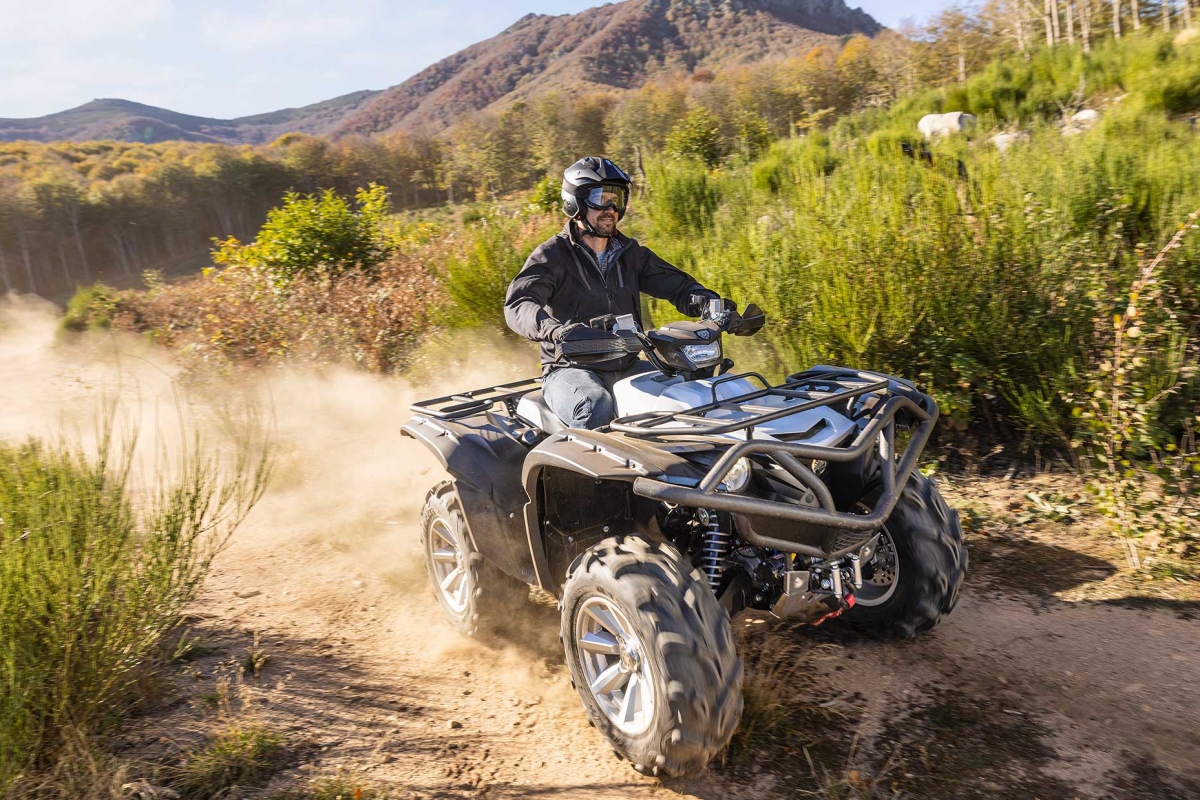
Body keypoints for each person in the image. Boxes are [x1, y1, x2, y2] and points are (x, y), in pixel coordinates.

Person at [504, 156, 727, 429]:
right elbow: (519, 303)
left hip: (627, 362)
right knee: (594, 404)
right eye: (601, 199)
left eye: (617, 199)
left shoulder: (630, 253)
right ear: (576, 202)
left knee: (689, 393)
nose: (610, 209)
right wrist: (555, 330)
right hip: (570, 369)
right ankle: (579, 457)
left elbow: (678, 286)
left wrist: (710, 303)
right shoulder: (552, 256)